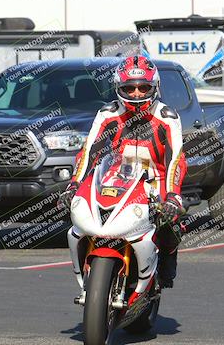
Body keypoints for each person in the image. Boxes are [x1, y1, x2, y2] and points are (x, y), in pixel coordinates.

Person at [61, 55, 187, 289]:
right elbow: (88, 151)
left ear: (155, 87)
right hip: (118, 177)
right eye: (130, 88)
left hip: (156, 179)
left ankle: (167, 263)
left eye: (143, 88)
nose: (137, 93)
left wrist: (173, 195)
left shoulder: (167, 117)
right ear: (119, 88)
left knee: (170, 222)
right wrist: (74, 184)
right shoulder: (107, 114)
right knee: (88, 214)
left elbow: (176, 159)